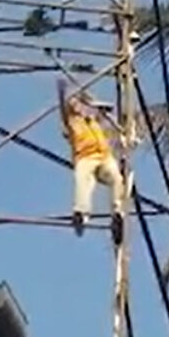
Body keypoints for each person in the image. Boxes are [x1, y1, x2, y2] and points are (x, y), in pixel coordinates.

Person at [57, 78, 124, 245]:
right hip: (85, 158)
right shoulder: (71, 122)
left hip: (104, 157)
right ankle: (81, 213)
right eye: (75, 105)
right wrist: (62, 92)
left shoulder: (92, 120)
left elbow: (104, 110)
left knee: (117, 179)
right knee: (83, 182)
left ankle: (117, 214)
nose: (78, 108)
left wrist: (89, 101)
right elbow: (64, 108)